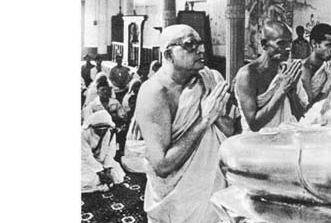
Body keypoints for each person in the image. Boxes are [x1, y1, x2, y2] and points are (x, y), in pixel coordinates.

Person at [136, 24, 233, 223]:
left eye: (200, 43)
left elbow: (230, 131)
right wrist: (205, 119)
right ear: (168, 55)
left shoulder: (211, 78)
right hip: (178, 200)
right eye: (189, 45)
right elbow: (162, 166)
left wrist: (216, 113)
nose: (201, 50)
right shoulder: (154, 92)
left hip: (210, 188)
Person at [234, 20, 304, 132]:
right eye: (281, 43)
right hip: (256, 143)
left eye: (289, 43)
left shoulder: (286, 71)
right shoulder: (248, 75)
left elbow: (300, 116)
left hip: (284, 139)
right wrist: (282, 89)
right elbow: (254, 124)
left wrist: (292, 91)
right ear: (264, 44)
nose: (288, 48)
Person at [298, 23, 331, 110]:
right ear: (314, 44)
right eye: (329, 45)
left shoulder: (330, 66)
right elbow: (309, 110)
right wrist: (330, 82)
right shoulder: (304, 70)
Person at [81, 110, 125, 193]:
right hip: (85, 162)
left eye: (103, 129)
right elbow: (86, 156)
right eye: (98, 129)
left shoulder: (111, 133)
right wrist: (100, 171)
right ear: (92, 127)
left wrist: (106, 168)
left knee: (117, 175)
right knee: (91, 179)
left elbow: (110, 152)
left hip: (102, 160)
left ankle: (101, 183)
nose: (101, 132)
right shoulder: (83, 133)